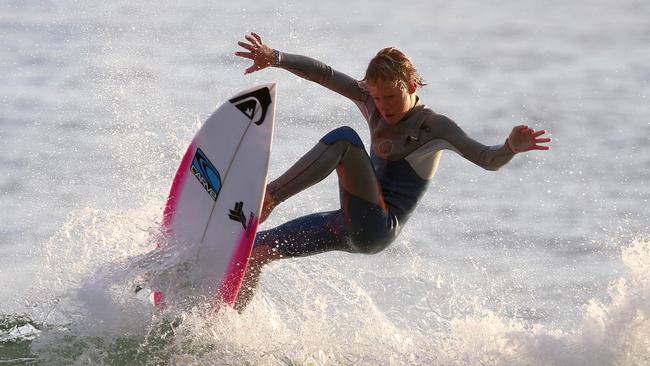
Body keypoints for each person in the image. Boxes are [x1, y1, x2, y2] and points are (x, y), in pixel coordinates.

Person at [233, 32, 551, 311]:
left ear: (412, 85)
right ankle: (223, 322)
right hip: (346, 222)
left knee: (344, 140)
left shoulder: (433, 126)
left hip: (378, 227)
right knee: (256, 250)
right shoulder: (371, 99)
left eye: (391, 97)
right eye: (377, 97)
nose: (383, 106)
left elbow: (486, 158)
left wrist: (509, 147)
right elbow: (324, 74)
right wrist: (274, 57)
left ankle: (270, 198)